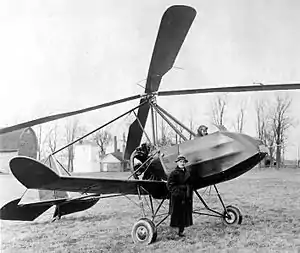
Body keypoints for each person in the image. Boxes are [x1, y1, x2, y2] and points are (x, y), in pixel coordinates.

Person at [167, 154, 193, 237]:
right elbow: (170, 185)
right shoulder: (174, 173)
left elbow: (190, 184)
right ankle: (173, 234)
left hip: (186, 197)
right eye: (180, 161)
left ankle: (181, 231)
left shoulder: (187, 172)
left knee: (184, 215)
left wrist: (188, 191)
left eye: (183, 162)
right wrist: (178, 193)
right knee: (176, 215)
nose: (182, 163)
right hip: (177, 198)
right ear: (177, 163)